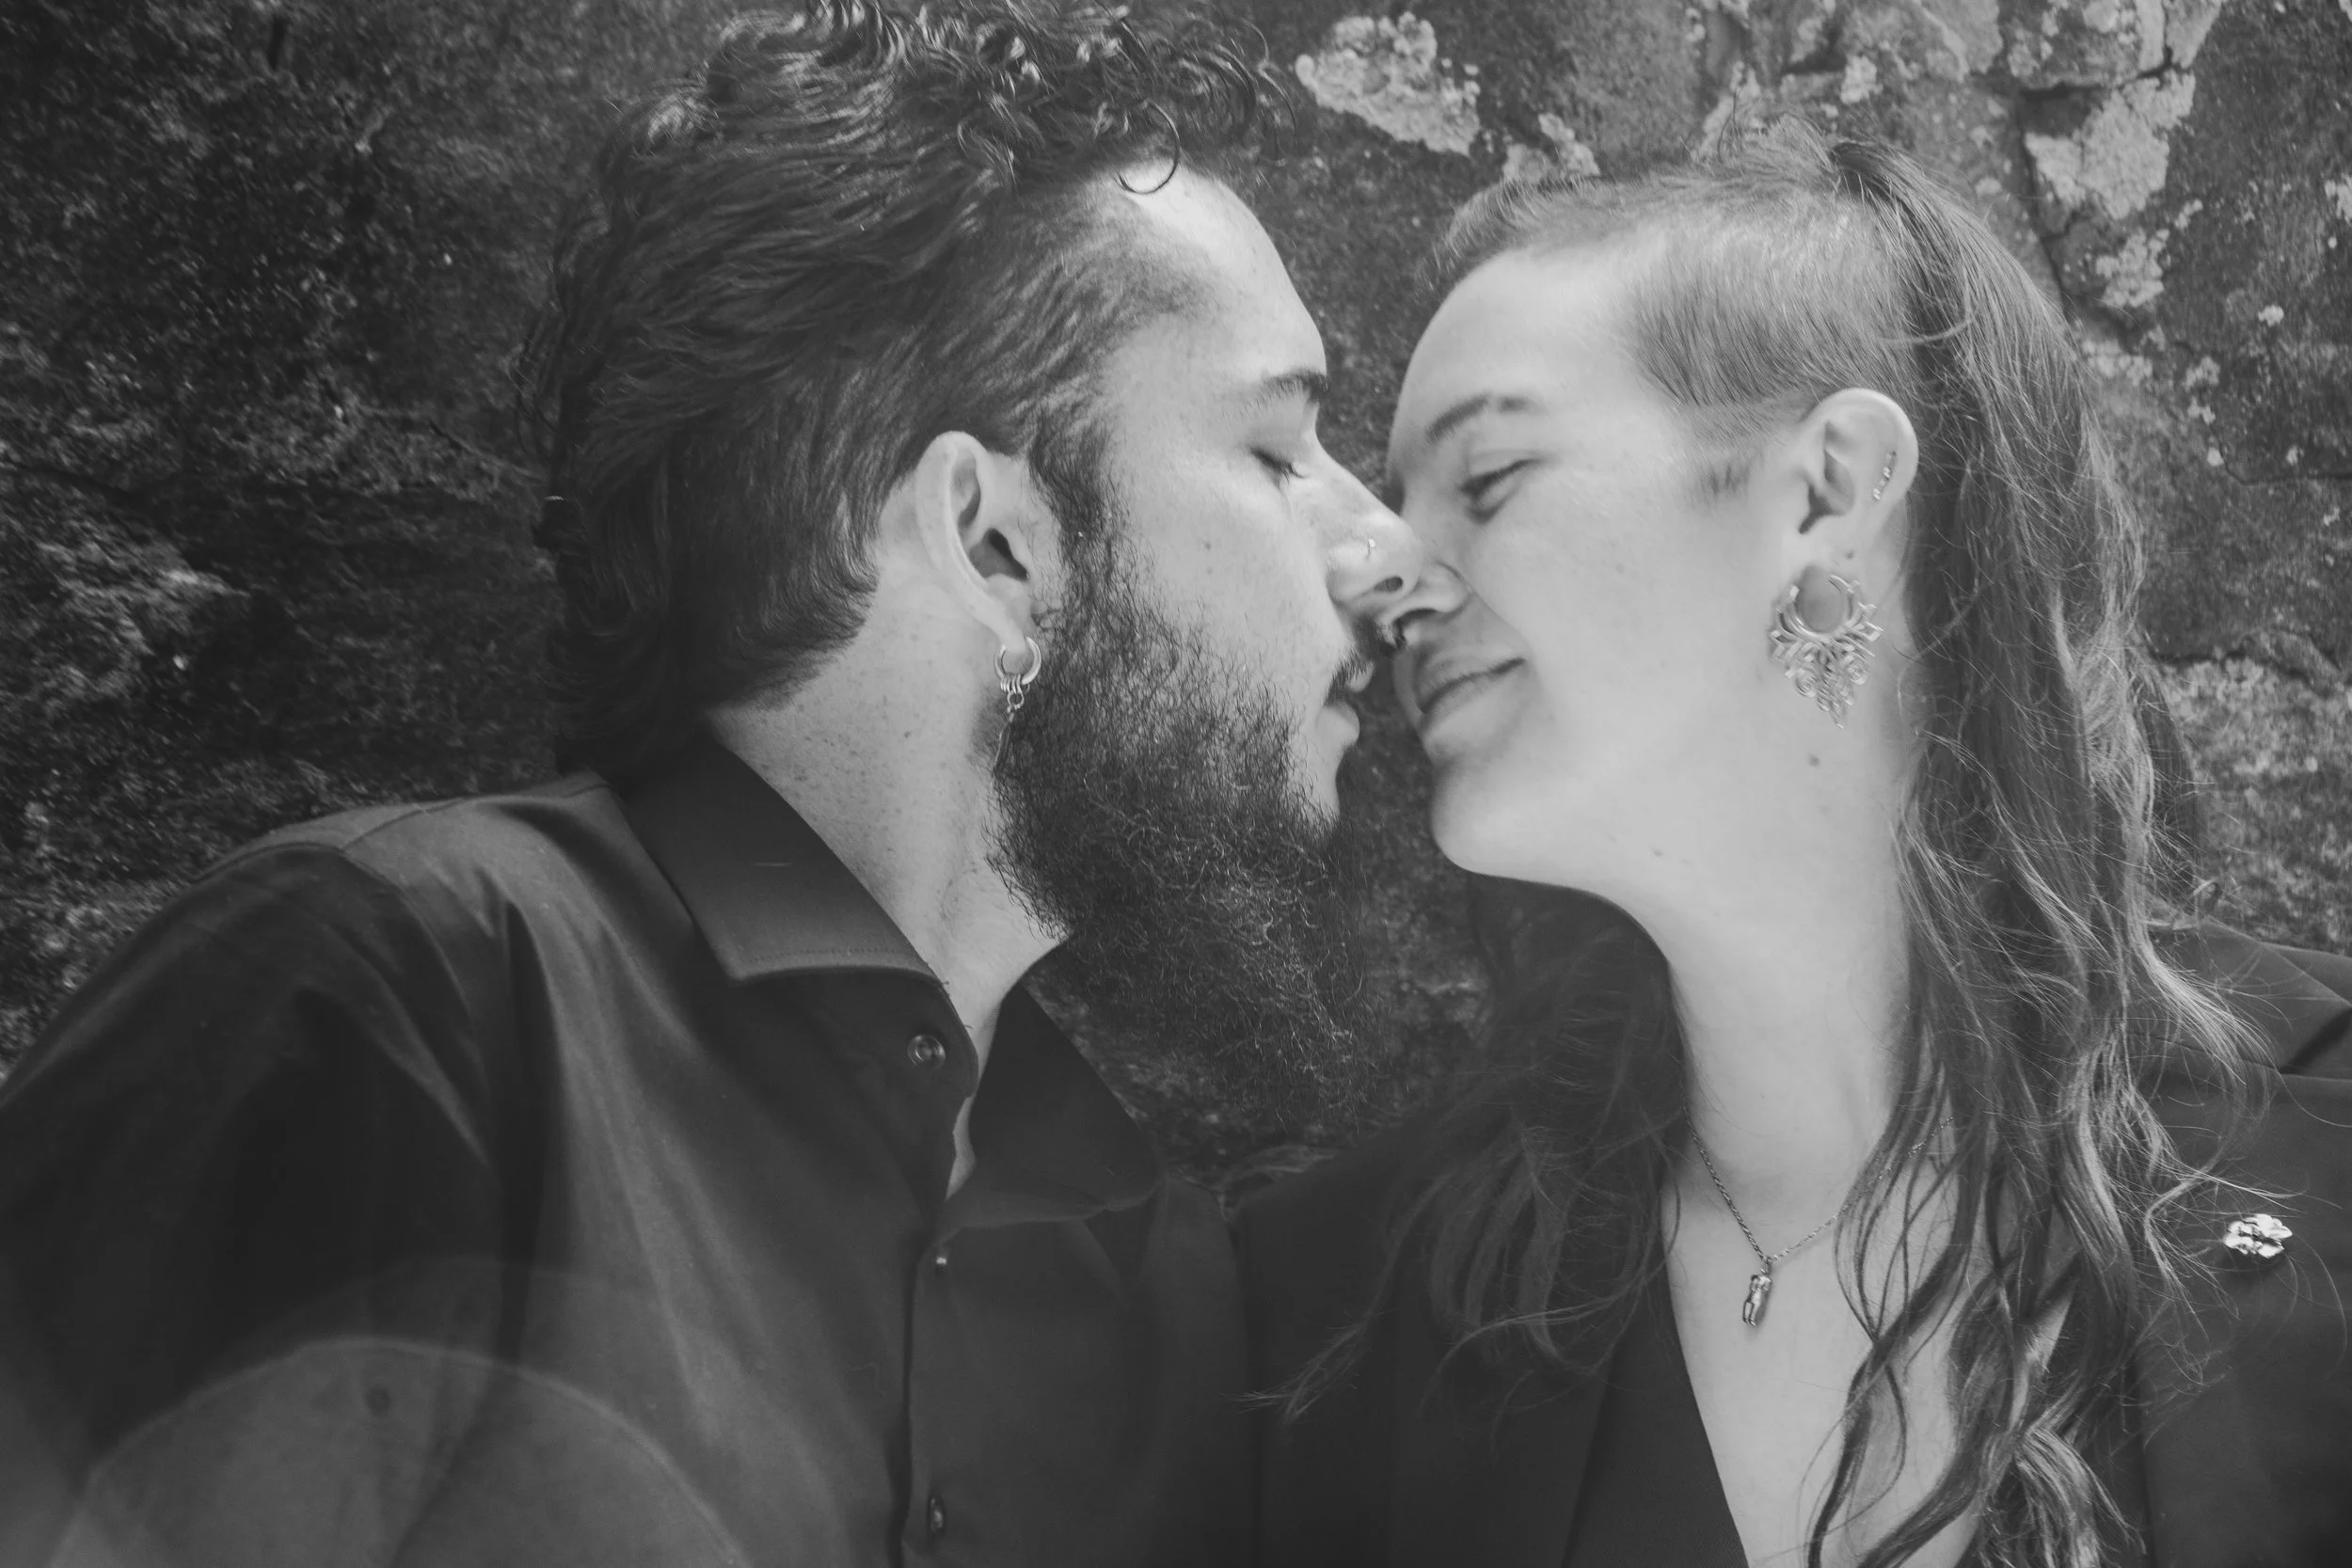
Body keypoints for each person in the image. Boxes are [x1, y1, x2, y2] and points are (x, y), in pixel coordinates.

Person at [0, 4, 1423, 1564]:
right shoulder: (402, 997)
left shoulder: (1151, 1262)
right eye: (1282, 452)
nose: (1389, 555)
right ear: (998, 539)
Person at [1241, 119, 2352, 1568]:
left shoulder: (2327, 1148)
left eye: (1490, 477)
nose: (1381, 572)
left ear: (1828, 492)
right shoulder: (1342, 1309)